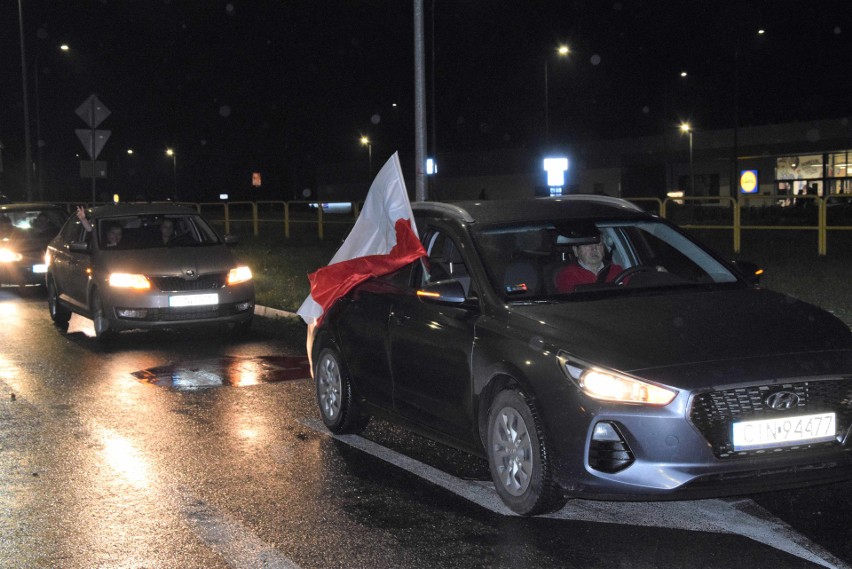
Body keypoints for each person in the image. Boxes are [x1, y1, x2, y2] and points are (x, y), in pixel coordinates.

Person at [555, 238, 622, 293]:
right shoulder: (567, 275)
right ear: (576, 250)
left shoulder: (617, 271)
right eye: (587, 244)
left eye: (598, 244)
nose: (594, 249)